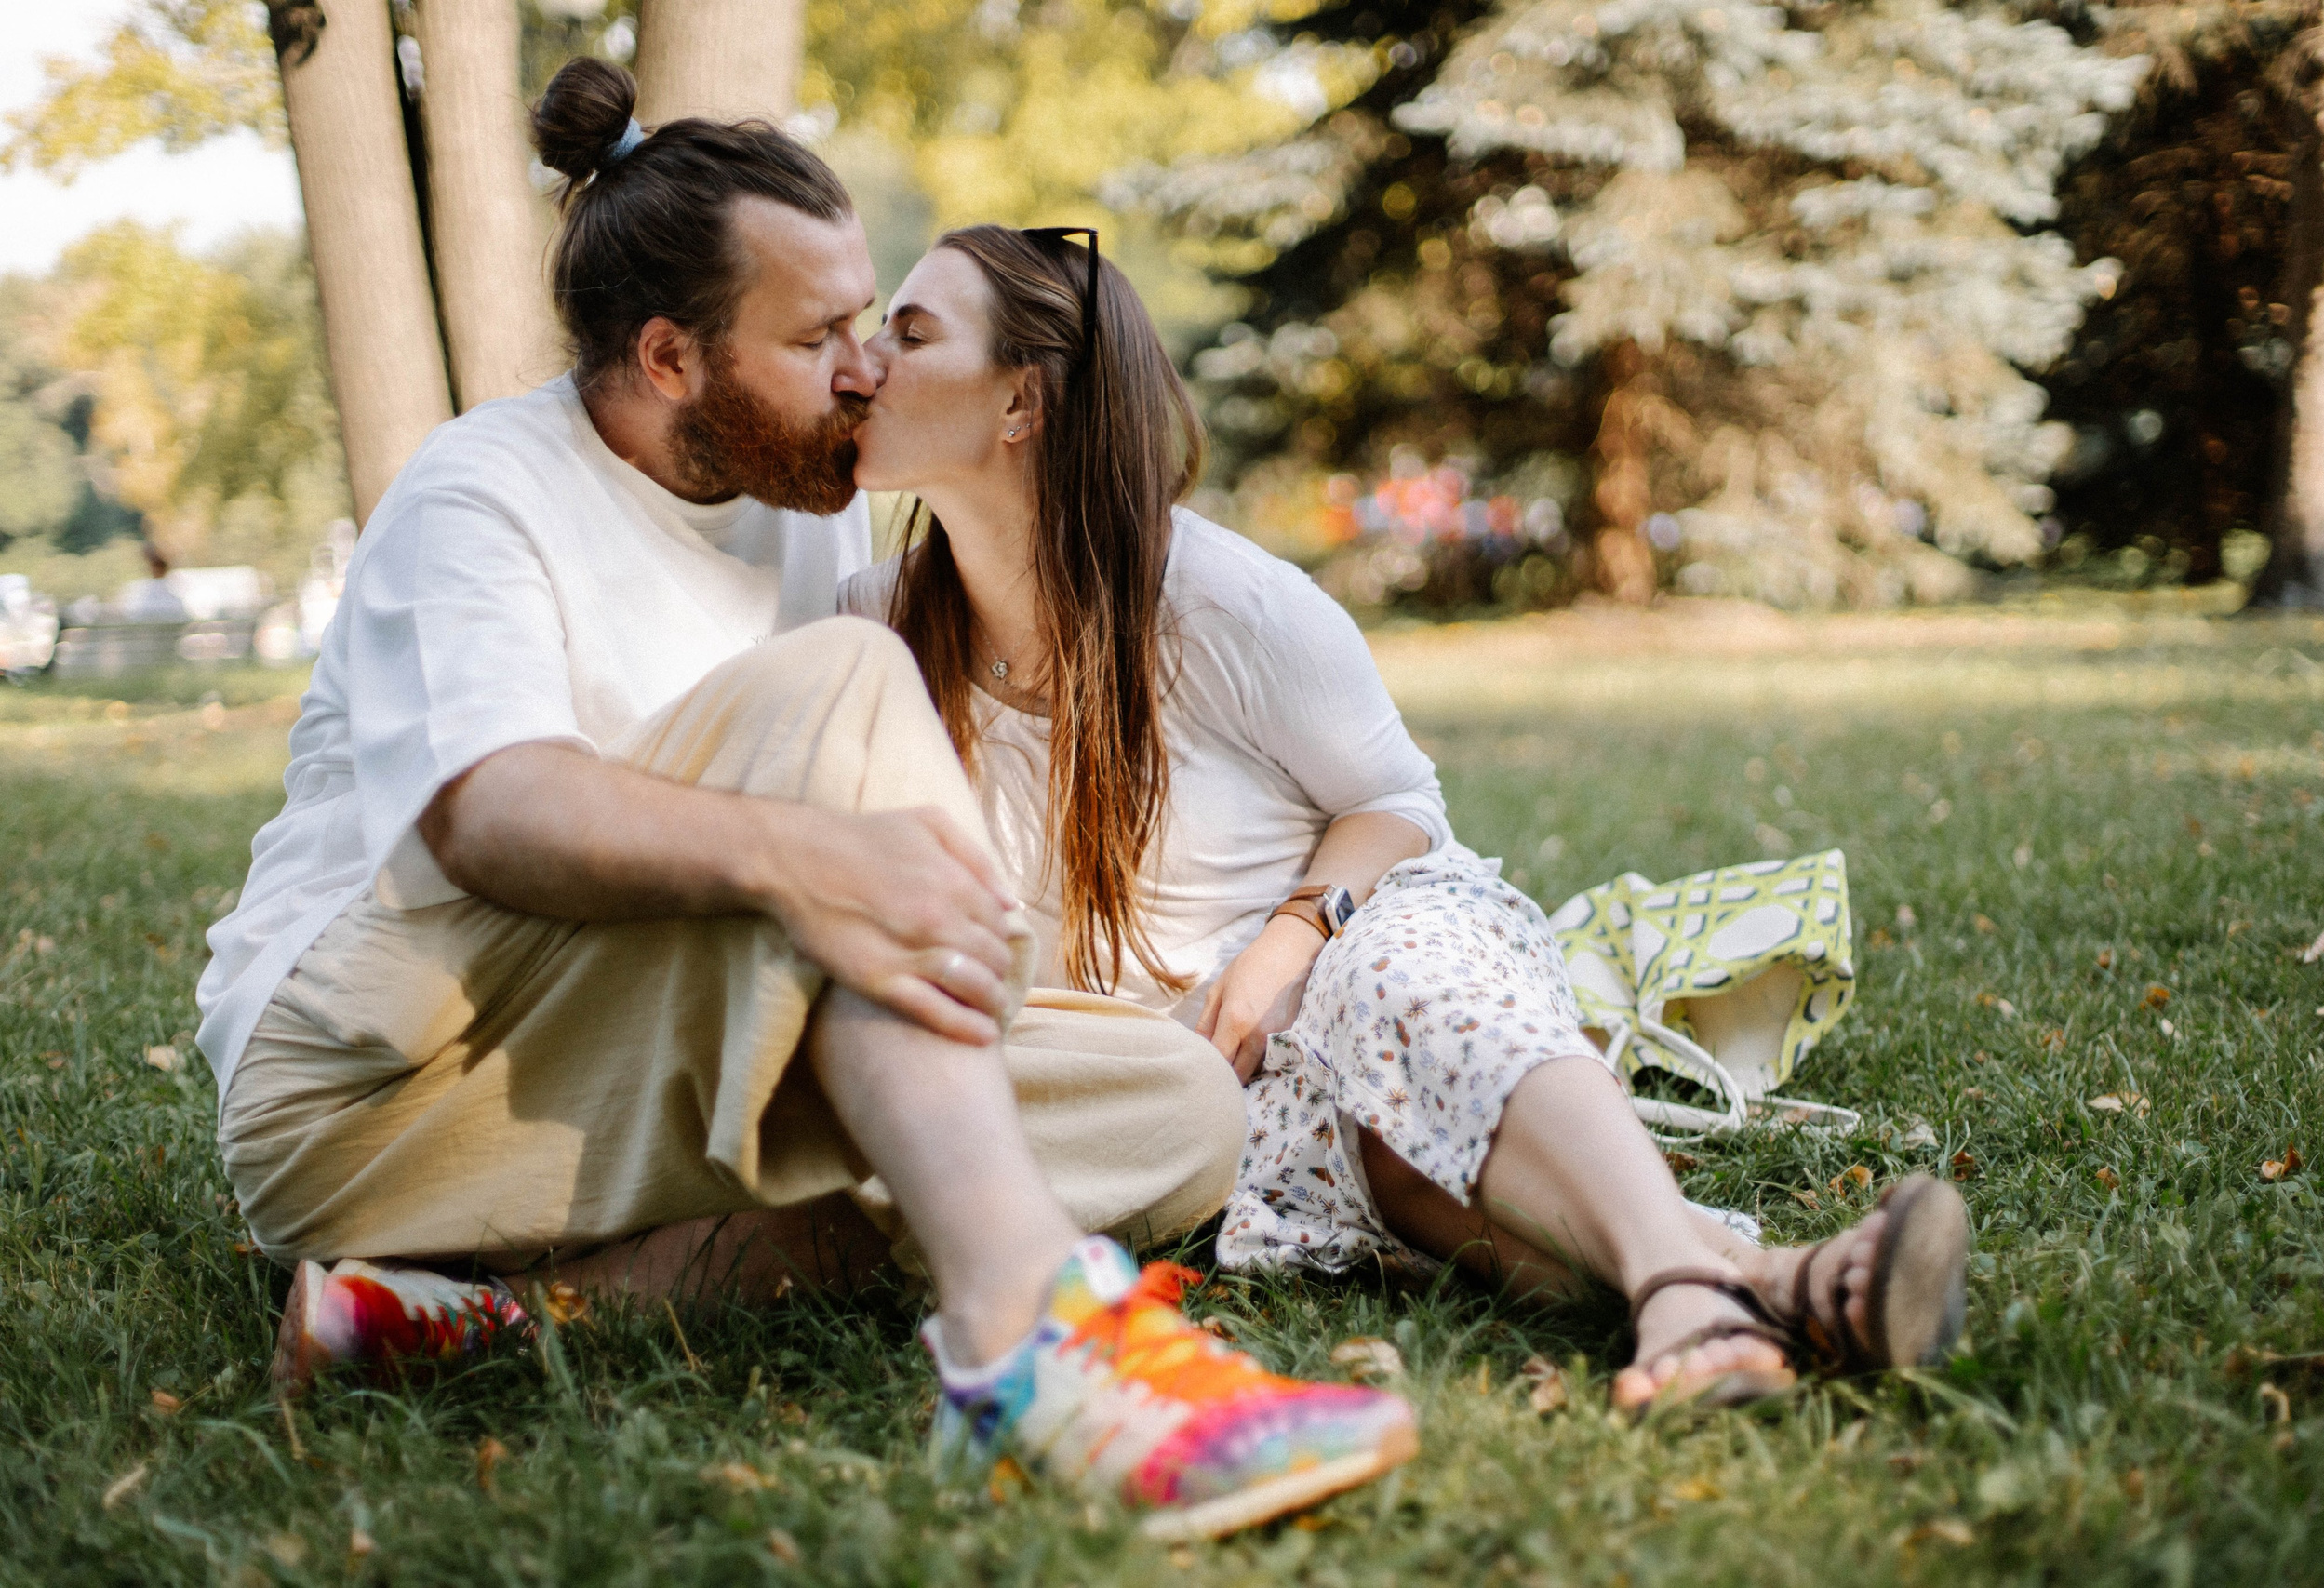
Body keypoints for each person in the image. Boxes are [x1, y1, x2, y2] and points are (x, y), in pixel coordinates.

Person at [194, 61, 1416, 1537]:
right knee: (843, 678)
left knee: (1169, 1103)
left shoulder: (793, 515)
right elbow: (491, 815)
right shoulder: (482, 491)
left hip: (596, 1070)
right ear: (669, 357)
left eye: (870, 321)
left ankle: (487, 1318)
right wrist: (811, 863)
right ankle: (1029, 1337)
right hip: (372, 1086)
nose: (864, 369)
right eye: (816, 335)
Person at [842, 225, 1972, 1417]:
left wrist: (1290, 940)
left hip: (1363, 932)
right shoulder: (877, 627)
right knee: (1388, 1158)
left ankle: (1680, 1289)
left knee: (1394, 1004)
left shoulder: (1221, 603)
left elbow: (1398, 802)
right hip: (1208, 1071)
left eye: (909, 333)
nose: (863, 362)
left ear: (1021, 402)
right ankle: (1784, 1287)